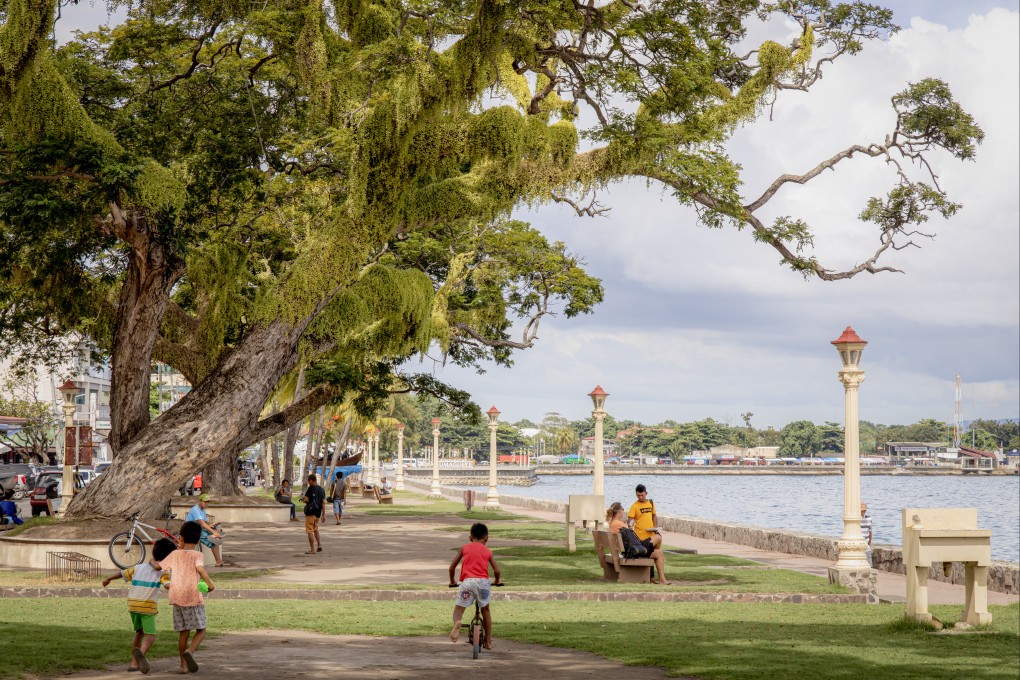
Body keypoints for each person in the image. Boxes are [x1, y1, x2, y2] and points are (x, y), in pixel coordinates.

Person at [101, 537, 176, 674]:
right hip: (147, 607)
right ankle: (140, 655)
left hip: (133, 605)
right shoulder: (163, 572)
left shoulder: (138, 567)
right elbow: (167, 585)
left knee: (139, 633)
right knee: (150, 636)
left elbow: (122, 573)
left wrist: (108, 578)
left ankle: (133, 663)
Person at [160, 521, 215, 674]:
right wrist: (210, 584)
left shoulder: (174, 554)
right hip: (192, 597)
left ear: (181, 537)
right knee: (201, 630)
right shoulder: (198, 554)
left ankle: (183, 666)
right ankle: (190, 651)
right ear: (198, 540)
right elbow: (201, 570)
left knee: (183, 633)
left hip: (177, 597)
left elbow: (160, 567)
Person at [449, 522, 502, 649]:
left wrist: (452, 581)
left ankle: (457, 623)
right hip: (483, 584)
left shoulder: (464, 548)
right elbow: (497, 571)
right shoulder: (488, 551)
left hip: (467, 584)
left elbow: (452, 568)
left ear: (469, 538)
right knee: (486, 610)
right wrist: (497, 581)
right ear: (486, 539)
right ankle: (488, 642)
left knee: (459, 609)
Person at [607, 502, 669, 585]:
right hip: (634, 552)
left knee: (657, 543)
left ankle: (653, 577)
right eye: (622, 510)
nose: (623, 511)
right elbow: (633, 538)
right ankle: (660, 579)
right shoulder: (619, 524)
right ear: (620, 511)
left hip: (628, 550)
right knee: (658, 547)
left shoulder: (612, 523)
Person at [185, 494, 225, 567]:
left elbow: (204, 522)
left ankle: (219, 561)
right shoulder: (195, 509)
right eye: (205, 502)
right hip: (192, 530)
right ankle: (218, 561)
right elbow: (202, 523)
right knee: (213, 541)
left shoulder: (203, 509)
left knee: (215, 539)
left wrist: (211, 526)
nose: (206, 503)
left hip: (198, 528)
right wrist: (214, 532)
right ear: (200, 501)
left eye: (208, 502)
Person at [627, 484, 663, 550]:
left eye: (642, 495)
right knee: (658, 546)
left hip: (651, 534)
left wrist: (655, 528)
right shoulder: (634, 506)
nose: (640, 497)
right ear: (636, 494)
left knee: (657, 547)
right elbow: (629, 521)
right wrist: (630, 524)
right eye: (638, 495)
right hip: (640, 537)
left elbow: (654, 516)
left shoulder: (651, 502)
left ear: (646, 493)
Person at [301, 473, 325, 554]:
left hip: (310, 512)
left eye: (308, 481)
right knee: (316, 529)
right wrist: (323, 515)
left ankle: (312, 549)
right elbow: (323, 503)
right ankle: (319, 545)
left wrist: (303, 499)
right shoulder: (322, 489)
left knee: (310, 530)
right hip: (318, 513)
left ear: (311, 480)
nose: (308, 482)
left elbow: (306, 500)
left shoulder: (310, 488)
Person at [861, 502, 874, 567]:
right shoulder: (869, 518)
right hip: (863, 542)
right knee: (868, 553)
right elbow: (870, 531)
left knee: (868, 553)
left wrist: (869, 542)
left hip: (863, 542)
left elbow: (870, 531)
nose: (863, 512)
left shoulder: (857, 519)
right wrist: (869, 542)